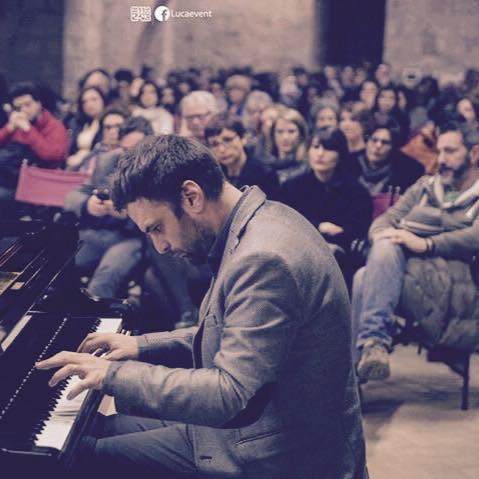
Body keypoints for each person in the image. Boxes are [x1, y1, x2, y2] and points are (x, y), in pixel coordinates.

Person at [38, 134, 366, 478]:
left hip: (285, 453)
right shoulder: (260, 219)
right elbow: (232, 332)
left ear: (191, 196)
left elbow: (230, 394)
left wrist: (113, 374)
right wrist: (141, 346)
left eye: (157, 228)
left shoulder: (263, 258)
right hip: (264, 425)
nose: (160, 247)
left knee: (78, 457)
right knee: (96, 431)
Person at [352, 124, 479, 382]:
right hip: (403, 272)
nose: (441, 160)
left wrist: (426, 244)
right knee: (378, 254)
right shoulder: (425, 187)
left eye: (450, 152)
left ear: (474, 154)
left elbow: (475, 236)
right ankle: (371, 348)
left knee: (364, 279)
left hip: (454, 281)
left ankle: (361, 364)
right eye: (439, 151)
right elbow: (385, 220)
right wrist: (382, 238)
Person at [64, 116, 153, 299]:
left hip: (138, 238)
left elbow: (161, 214)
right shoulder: (108, 161)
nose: (131, 157)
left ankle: (94, 321)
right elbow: (71, 196)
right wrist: (88, 204)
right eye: (127, 150)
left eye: (137, 149)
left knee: (106, 274)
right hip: (103, 233)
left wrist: (128, 213)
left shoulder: (157, 168)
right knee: (57, 258)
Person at [281, 127, 372, 285]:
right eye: (316, 147)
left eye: (328, 148)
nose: (320, 154)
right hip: (298, 249)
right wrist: (320, 226)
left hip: (342, 257)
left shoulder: (357, 191)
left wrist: (338, 234)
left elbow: (359, 230)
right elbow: (285, 221)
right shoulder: (293, 186)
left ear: (340, 154)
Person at [0, 82, 68, 214]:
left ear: (39, 103)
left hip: (40, 182)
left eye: (28, 104)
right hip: (12, 177)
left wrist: (28, 130)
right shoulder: (17, 124)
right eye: (19, 107)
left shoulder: (55, 126)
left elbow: (51, 155)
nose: (24, 110)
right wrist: (9, 128)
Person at [205, 113, 279, 199]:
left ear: (243, 138)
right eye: (215, 144)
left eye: (227, 140)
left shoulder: (266, 174)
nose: (221, 149)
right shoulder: (212, 176)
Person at [66, 86, 107, 170]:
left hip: (95, 167)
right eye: (84, 102)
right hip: (73, 166)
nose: (89, 104)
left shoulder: (109, 124)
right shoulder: (78, 124)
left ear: (103, 101)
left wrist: (82, 160)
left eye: (94, 99)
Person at [265, 107, 309, 183]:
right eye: (280, 131)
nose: (285, 137)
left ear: (301, 135)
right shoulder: (265, 165)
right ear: (273, 135)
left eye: (291, 131)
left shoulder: (308, 168)